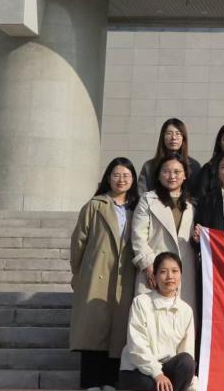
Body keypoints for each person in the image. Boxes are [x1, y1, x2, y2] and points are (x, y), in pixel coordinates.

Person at [69, 158, 140, 391]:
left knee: (118, 332)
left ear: (133, 180)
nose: (121, 180)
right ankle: (91, 382)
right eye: (116, 175)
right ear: (108, 177)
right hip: (96, 274)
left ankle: (110, 381)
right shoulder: (95, 205)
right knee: (93, 330)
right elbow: (78, 241)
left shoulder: (137, 208)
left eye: (126, 175)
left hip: (124, 276)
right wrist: (78, 273)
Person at [130, 156, 197, 326]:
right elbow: (138, 235)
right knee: (150, 322)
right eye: (166, 171)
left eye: (177, 172)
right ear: (159, 175)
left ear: (185, 175)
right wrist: (148, 265)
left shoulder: (191, 204)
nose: (172, 176)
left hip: (183, 271)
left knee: (179, 323)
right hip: (154, 270)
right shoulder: (148, 199)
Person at [118, 252, 196, 391]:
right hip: (137, 369)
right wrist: (157, 374)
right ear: (154, 276)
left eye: (175, 271)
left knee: (187, 361)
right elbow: (137, 346)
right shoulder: (141, 302)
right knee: (154, 387)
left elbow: (186, 352)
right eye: (163, 272)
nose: (170, 276)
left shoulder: (186, 310)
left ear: (181, 275)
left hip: (167, 370)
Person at [138, 119, 201, 196]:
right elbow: (141, 194)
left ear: (183, 138)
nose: (173, 137)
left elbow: (198, 196)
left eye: (178, 133)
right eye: (169, 133)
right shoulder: (149, 166)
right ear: (163, 137)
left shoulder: (194, 165)